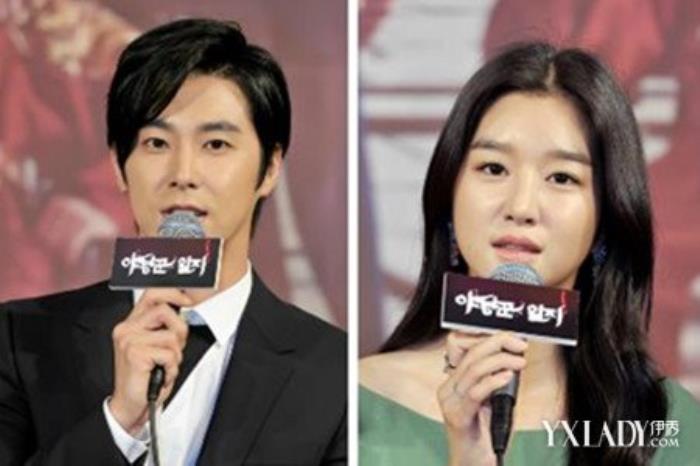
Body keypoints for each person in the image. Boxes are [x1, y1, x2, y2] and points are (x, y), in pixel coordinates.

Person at [0, 18, 346, 466]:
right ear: (119, 166)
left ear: (270, 168)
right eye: (157, 143)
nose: (183, 174)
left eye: (215, 145)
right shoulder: (21, 339)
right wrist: (119, 422)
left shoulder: (334, 373)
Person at [359, 42, 700, 466]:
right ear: (449, 196)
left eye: (561, 177)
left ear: (607, 217)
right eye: (494, 168)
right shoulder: (356, 404)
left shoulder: (662, 423)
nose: (521, 207)